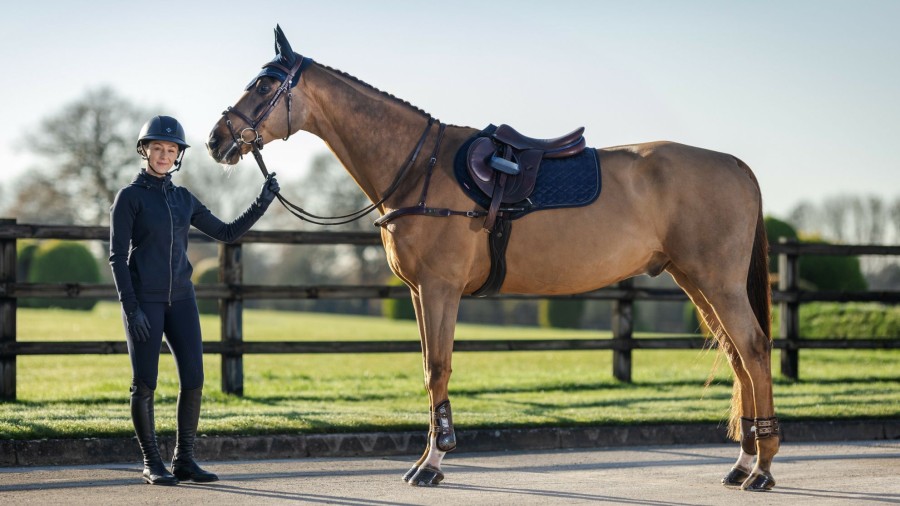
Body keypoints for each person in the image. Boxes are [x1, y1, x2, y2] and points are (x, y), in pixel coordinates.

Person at [109, 115, 279, 485]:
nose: (164, 155)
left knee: (195, 380)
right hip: (145, 304)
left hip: (182, 300)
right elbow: (117, 259)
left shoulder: (183, 198)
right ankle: (152, 462)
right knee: (145, 384)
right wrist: (131, 307)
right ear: (145, 151)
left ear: (178, 156)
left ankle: (184, 459)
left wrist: (262, 201)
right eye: (158, 148)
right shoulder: (129, 198)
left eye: (171, 150)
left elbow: (227, 232)